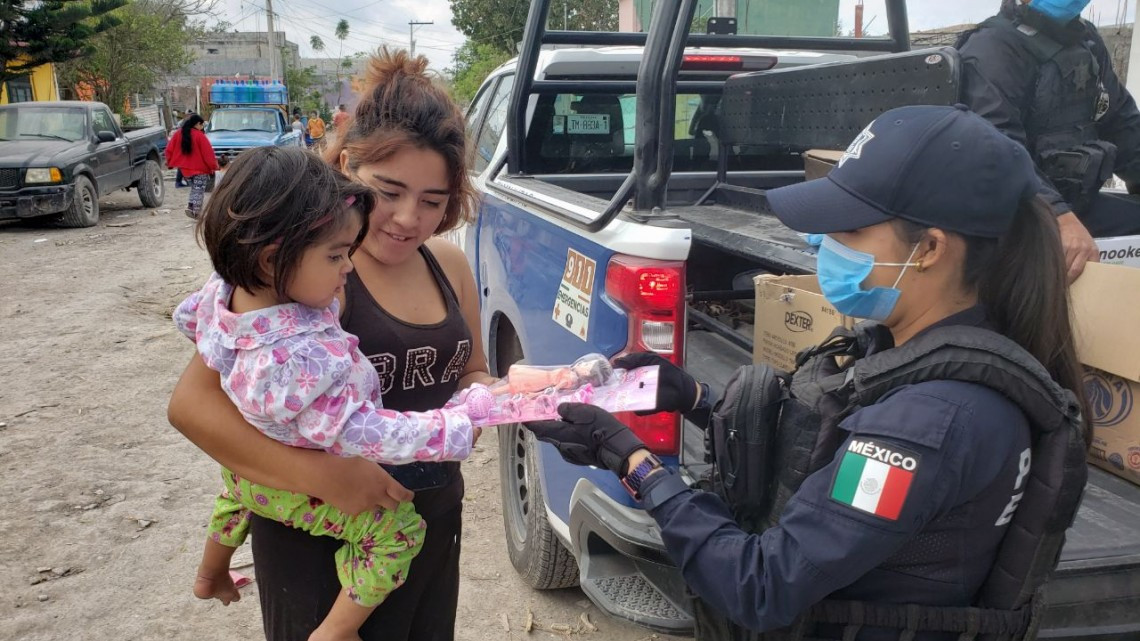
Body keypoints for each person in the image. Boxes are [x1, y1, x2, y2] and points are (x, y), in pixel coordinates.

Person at [525, 105, 1090, 640]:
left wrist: (633, 462)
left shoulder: (930, 421)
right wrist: (690, 394)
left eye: (849, 230)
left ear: (930, 249)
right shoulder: (912, 349)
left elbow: (759, 585)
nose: (820, 243)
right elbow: (814, 446)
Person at [167, 48, 494, 641]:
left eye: (433, 201)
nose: (405, 218)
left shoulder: (449, 263)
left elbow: (469, 369)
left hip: (432, 514)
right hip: (317, 529)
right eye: (388, 190)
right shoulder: (297, 273)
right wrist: (325, 477)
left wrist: (504, 396)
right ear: (346, 168)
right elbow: (191, 408)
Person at [958, 0, 1140, 280]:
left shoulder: (1087, 40)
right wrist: (1058, 216)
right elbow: (996, 148)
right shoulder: (993, 47)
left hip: (1075, 202)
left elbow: (1122, 123)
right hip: (1018, 216)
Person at [165, 113, 219, 219]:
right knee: (198, 190)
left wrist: (170, 162)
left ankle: (192, 207)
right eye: (202, 125)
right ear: (197, 124)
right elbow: (208, 154)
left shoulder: (178, 133)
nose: (202, 128)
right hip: (200, 169)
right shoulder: (200, 136)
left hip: (185, 170)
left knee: (195, 189)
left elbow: (169, 150)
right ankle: (194, 210)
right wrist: (214, 167)